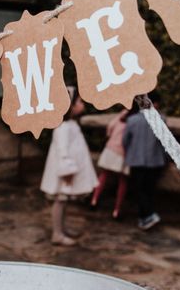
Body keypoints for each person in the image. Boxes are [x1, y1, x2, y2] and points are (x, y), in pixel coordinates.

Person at [40, 86, 98, 246]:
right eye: (79, 101)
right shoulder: (63, 127)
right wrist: (67, 172)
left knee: (63, 202)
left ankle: (61, 229)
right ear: (68, 105)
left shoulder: (70, 124)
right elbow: (62, 151)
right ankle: (57, 233)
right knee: (60, 201)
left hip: (68, 172)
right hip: (64, 174)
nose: (82, 104)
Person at [122, 94, 166, 231]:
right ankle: (146, 217)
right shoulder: (161, 120)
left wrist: (129, 152)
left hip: (136, 160)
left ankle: (147, 215)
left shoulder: (132, 120)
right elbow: (165, 142)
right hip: (155, 161)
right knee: (150, 190)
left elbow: (125, 141)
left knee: (139, 190)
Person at [90, 108, 130, 219]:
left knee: (104, 175)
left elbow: (110, 126)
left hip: (111, 149)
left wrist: (110, 136)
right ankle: (116, 210)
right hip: (124, 153)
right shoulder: (136, 117)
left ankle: (94, 199)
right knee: (123, 181)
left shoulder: (122, 114)